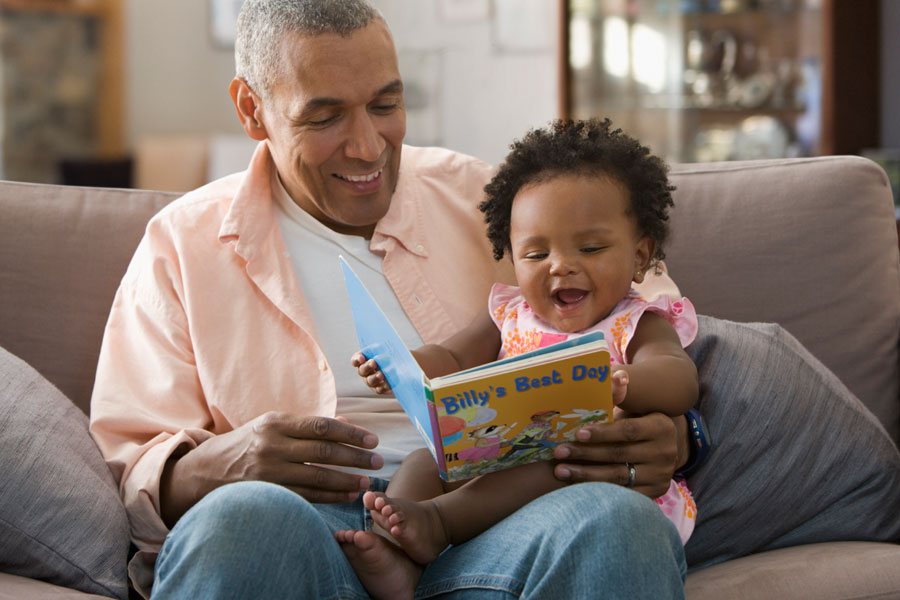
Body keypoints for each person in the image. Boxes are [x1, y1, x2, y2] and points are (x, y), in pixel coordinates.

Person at [88, 1, 694, 598]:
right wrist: (223, 462)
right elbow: (127, 461)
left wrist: (679, 432)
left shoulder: (497, 199)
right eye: (324, 117)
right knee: (235, 521)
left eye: (386, 105)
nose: (367, 146)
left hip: (494, 523)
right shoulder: (181, 243)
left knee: (622, 527)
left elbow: (644, 319)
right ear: (253, 109)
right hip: (301, 531)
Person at [337, 119, 699, 598]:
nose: (561, 265)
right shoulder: (510, 312)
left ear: (639, 255)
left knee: (550, 459)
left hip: (575, 476)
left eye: (590, 248)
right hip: (493, 461)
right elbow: (449, 356)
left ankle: (439, 525)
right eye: (535, 254)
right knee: (429, 461)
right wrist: (400, 366)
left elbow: (680, 378)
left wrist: (626, 382)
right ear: (511, 256)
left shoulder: (635, 322)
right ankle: (397, 551)